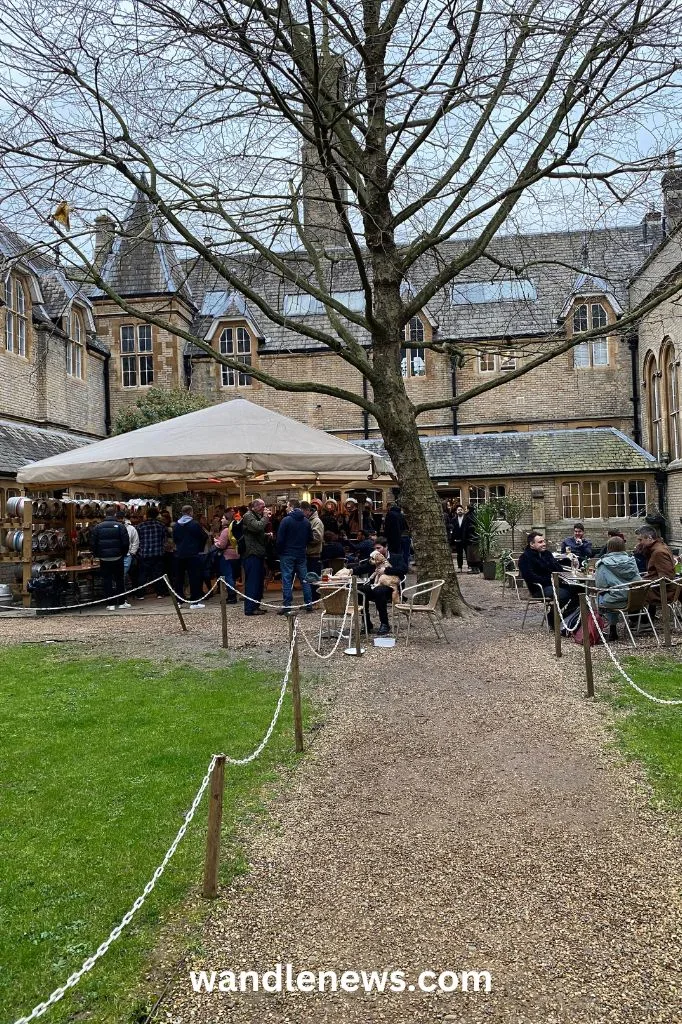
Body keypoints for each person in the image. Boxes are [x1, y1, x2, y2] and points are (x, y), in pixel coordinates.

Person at [518, 530, 578, 624]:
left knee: (580, 590)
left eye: (544, 541)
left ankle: (562, 617)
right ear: (532, 544)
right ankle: (553, 619)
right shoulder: (525, 557)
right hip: (539, 588)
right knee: (564, 594)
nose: (544, 544)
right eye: (540, 542)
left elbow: (559, 569)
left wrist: (564, 562)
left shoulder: (547, 554)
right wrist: (551, 580)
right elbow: (530, 577)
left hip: (555, 584)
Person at [352, 543, 407, 636]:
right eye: (375, 548)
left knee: (379, 591)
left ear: (386, 547)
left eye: (379, 548)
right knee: (360, 590)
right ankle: (366, 623)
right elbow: (364, 567)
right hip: (376, 584)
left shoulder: (396, 557)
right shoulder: (374, 557)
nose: (377, 550)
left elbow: (403, 569)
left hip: (391, 586)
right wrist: (351, 571)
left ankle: (385, 623)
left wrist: (386, 570)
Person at [594, 537, 642, 641]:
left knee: (601, 596)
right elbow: (638, 579)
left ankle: (610, 628)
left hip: (616, 601)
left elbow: (600, 585)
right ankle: (628, 623)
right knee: (612, 594)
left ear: (609, 547)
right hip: (635, 600)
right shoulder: (631, 561)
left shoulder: (603, 563)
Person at [276, 498, 313, 613]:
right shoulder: (306, 521)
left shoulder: (286, 520)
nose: (286, 509)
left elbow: (280, 539)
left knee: (287, 579)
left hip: (287, 553)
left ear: (291, 507)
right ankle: (309, 603)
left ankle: (287, 605)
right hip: (301, 553)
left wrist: (279, 551)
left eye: (287, 506)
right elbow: (310, 538)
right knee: (305, 579)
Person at [90, 504, 130, 610]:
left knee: (107, 580)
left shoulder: (97, 527)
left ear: (105, 514)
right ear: (115, 514)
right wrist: (123, 553)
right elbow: (126, 542)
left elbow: (93, 543)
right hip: (118, 556)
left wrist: (97, 554)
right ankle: (121, 602)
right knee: (119, 580)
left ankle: (110, 604)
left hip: (104, 558)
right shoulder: (121, 526)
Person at [173, 505, 208, 608]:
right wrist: (199, 548)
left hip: (179, 553)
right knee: (194, 577)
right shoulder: (194, 524)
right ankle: (194, 601)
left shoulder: (176, 525)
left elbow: (175, 538)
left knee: (179, 578)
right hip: (193, 554)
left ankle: (179, 601)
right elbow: (203, 536)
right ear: (190, 512)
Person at [241, 498, 270, 616]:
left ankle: (256, 606)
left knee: (258, 581)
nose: (264, 509)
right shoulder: (248, 516)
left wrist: (266, 535)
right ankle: (250, 608)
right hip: (251, 553)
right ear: (255, 506)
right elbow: (257, 527)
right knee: (253, 581)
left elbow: (257, 531)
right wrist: (265, 517)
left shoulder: (255, 515)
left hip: (258, 553)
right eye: (262, 507)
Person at [636, 525, 677, 607]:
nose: (639, 543)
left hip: (663, 592)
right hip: (658, 588)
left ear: (649, 538)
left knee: (633, 592)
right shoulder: (658, 547)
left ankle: (643, 618)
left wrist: (646, 581)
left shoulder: (659, 552)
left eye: (640, 540)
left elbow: (666, 577)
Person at [135, 505, 169, 599]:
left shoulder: (140, 526)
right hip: (158, 553)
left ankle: (140, 594)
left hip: (144, 553)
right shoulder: (161, 525)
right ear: (157, 515)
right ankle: (159, 593)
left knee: (142, 574)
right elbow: (164, 539)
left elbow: (137, 540)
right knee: (158, 574)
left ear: (147, 514)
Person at [214, 512, 240, 604]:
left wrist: (216, 542)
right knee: (232, 576)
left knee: (228, 576)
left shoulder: (226, 530)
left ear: (228, 520)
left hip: (227, 555)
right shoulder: (236, 528)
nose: (221, 520)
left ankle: (231, 596)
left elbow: (222, 545)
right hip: (236, 554)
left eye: (223, 518)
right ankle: (233, 595)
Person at [301, 500, 324, 589]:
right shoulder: (308, 521)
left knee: (314, 579)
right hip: (308, 554)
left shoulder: (317, 522)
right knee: (309, 579)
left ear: (308, 511)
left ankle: (315, 598)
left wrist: (304, 538)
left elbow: (317, 537)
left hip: (314, 555)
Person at [116, 509, 139, 590]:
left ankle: (121, 594)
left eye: (120, 517)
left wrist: (132, 553)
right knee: (119, 576)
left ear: (123, 518)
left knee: (122, 575)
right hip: (116, 555)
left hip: (127, 555)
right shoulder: (113, 527)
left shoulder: (131, 528)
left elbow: (135, 541)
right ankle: (120, 594)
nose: (119, 519)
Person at [449, 503, 472, 572]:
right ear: (456, 511)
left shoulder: (467, 518)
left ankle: (469, 566)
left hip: (466, 539)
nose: (460, 511)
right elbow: (452, 529)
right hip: (458, 539)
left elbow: (469, 529)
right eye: (458, 510)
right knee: (459, 554)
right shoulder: (453, 520)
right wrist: (453, 538)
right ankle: (459, 567)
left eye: (461, 510)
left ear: (463, 511)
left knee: (468, 554)